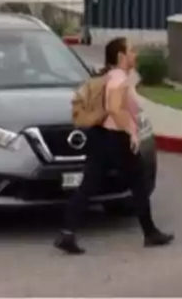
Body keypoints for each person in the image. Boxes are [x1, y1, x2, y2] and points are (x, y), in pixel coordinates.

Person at [55, 37, 173, 255]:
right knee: (138, 184)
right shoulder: (118, 79)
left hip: (100, 136)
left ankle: (67, 233)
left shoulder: (110, 76)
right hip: (116, 138)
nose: (135, 54)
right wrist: (131, 133)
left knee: (88, 186)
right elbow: (114, 108)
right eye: (131, 50)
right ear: (120, 56)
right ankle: (150, 233)